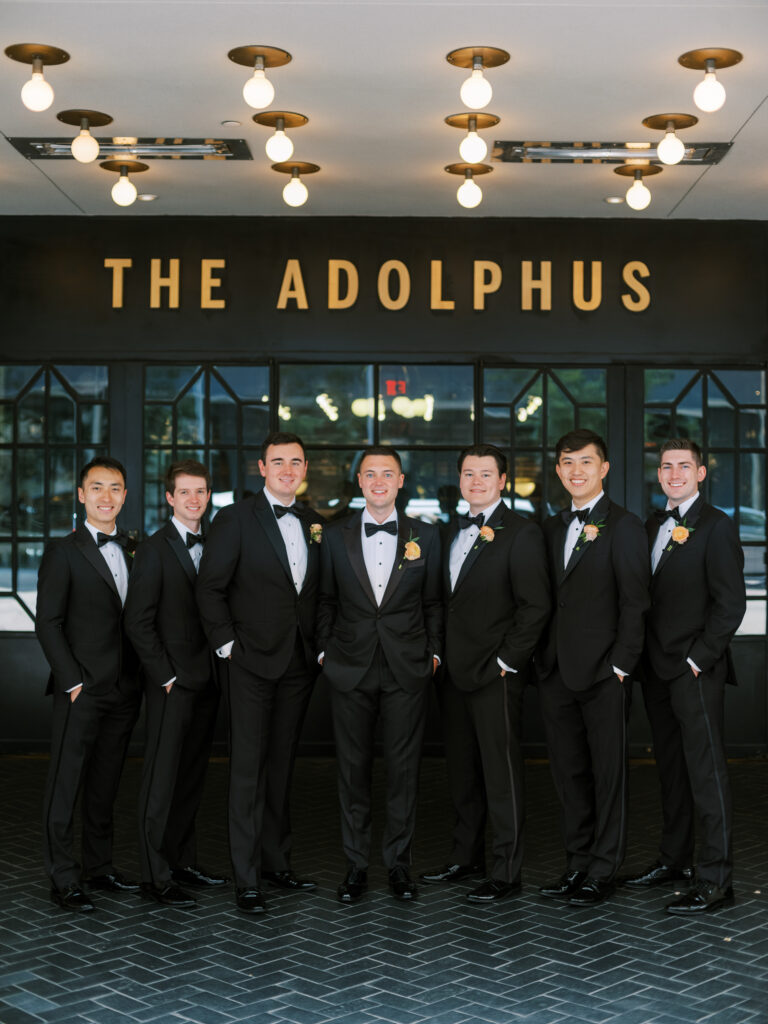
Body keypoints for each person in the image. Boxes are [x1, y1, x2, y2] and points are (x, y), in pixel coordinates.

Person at [196, 432, 322, 914]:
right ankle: (246, 878)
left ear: (304, 467)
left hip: (298, 663)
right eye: (278, 462)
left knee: (281, 766)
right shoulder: (235, 518)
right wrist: (227, 645)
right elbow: (210, 588)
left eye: (295, 461)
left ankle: (276, 863)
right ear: (261, 468)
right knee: (247, 770)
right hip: (249, 661)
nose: (287, 469)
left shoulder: (314, 522)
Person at [420, 444, 550, 901]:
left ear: (502, 481)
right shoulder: (448, 534)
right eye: (468, 474)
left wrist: (505, 662)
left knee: (501, 772)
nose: (475, 481)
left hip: (495, 673)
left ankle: (506, 870)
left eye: (485, 474)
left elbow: (535, 607)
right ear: (459, 480)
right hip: (452, 674)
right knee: (461, 771)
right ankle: (465, 855)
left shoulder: (521, 533)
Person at [622, 439, 746, 914]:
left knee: (706, 774)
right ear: (659, 475)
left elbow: (731, 603)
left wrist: (699, 658)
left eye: (683, 466)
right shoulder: (653, 524)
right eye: (667, 467)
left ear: (701, 473)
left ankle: (716, 881)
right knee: (671, 772)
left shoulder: (717, 526)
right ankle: (674, 861)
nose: (674, 474)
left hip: (693, 671)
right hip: (654, 670)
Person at [316, 446, 443, 903]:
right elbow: (324, 601)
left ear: (401, 480)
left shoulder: (427, 537)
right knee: (352, 771)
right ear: (360, 482)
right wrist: (324, 653)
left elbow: (433, 603)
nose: (378, 481)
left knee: (403, 771)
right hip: (349, 667)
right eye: (369, 474)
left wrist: (433, 654)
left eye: (386, 473)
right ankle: (355, 865)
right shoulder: (333, 537)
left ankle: (399, 866)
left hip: (407, 667)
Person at [536, 429, 650, 906]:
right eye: (568, 462)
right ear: (559, 470)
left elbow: (636, 602)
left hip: (606, 673)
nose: (576, 470)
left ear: (604, 469)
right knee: (568, 773)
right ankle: (577, 863)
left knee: (608, 775)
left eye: (586, 462)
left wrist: (621, 666)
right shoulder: (551, 525)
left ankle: (604, 869)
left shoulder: (623, 525)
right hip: (556, 671)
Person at [37, 456, 141, 912]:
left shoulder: (135, 548)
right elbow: (48, 623)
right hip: (81, 689)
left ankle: (99, 867)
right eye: (96, 488)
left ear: (124, 495)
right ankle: (64, 877)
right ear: (82, 495)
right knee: (67, 783)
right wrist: (72, 682)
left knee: (105, 783)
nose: (106, 496)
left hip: (124, 689)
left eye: (114, 488)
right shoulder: (64, 551)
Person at [124, 459, 227, 908]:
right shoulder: (152, 548)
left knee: (190, 777)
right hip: (171, 682)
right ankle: (155, 874)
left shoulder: (217, 542)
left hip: (208, 679)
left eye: (200, 491)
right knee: (160, 780)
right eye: (184, 492)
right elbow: (138, 622)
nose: (193, 499)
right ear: (169, 498)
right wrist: (164, 675)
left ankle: (185, 861)